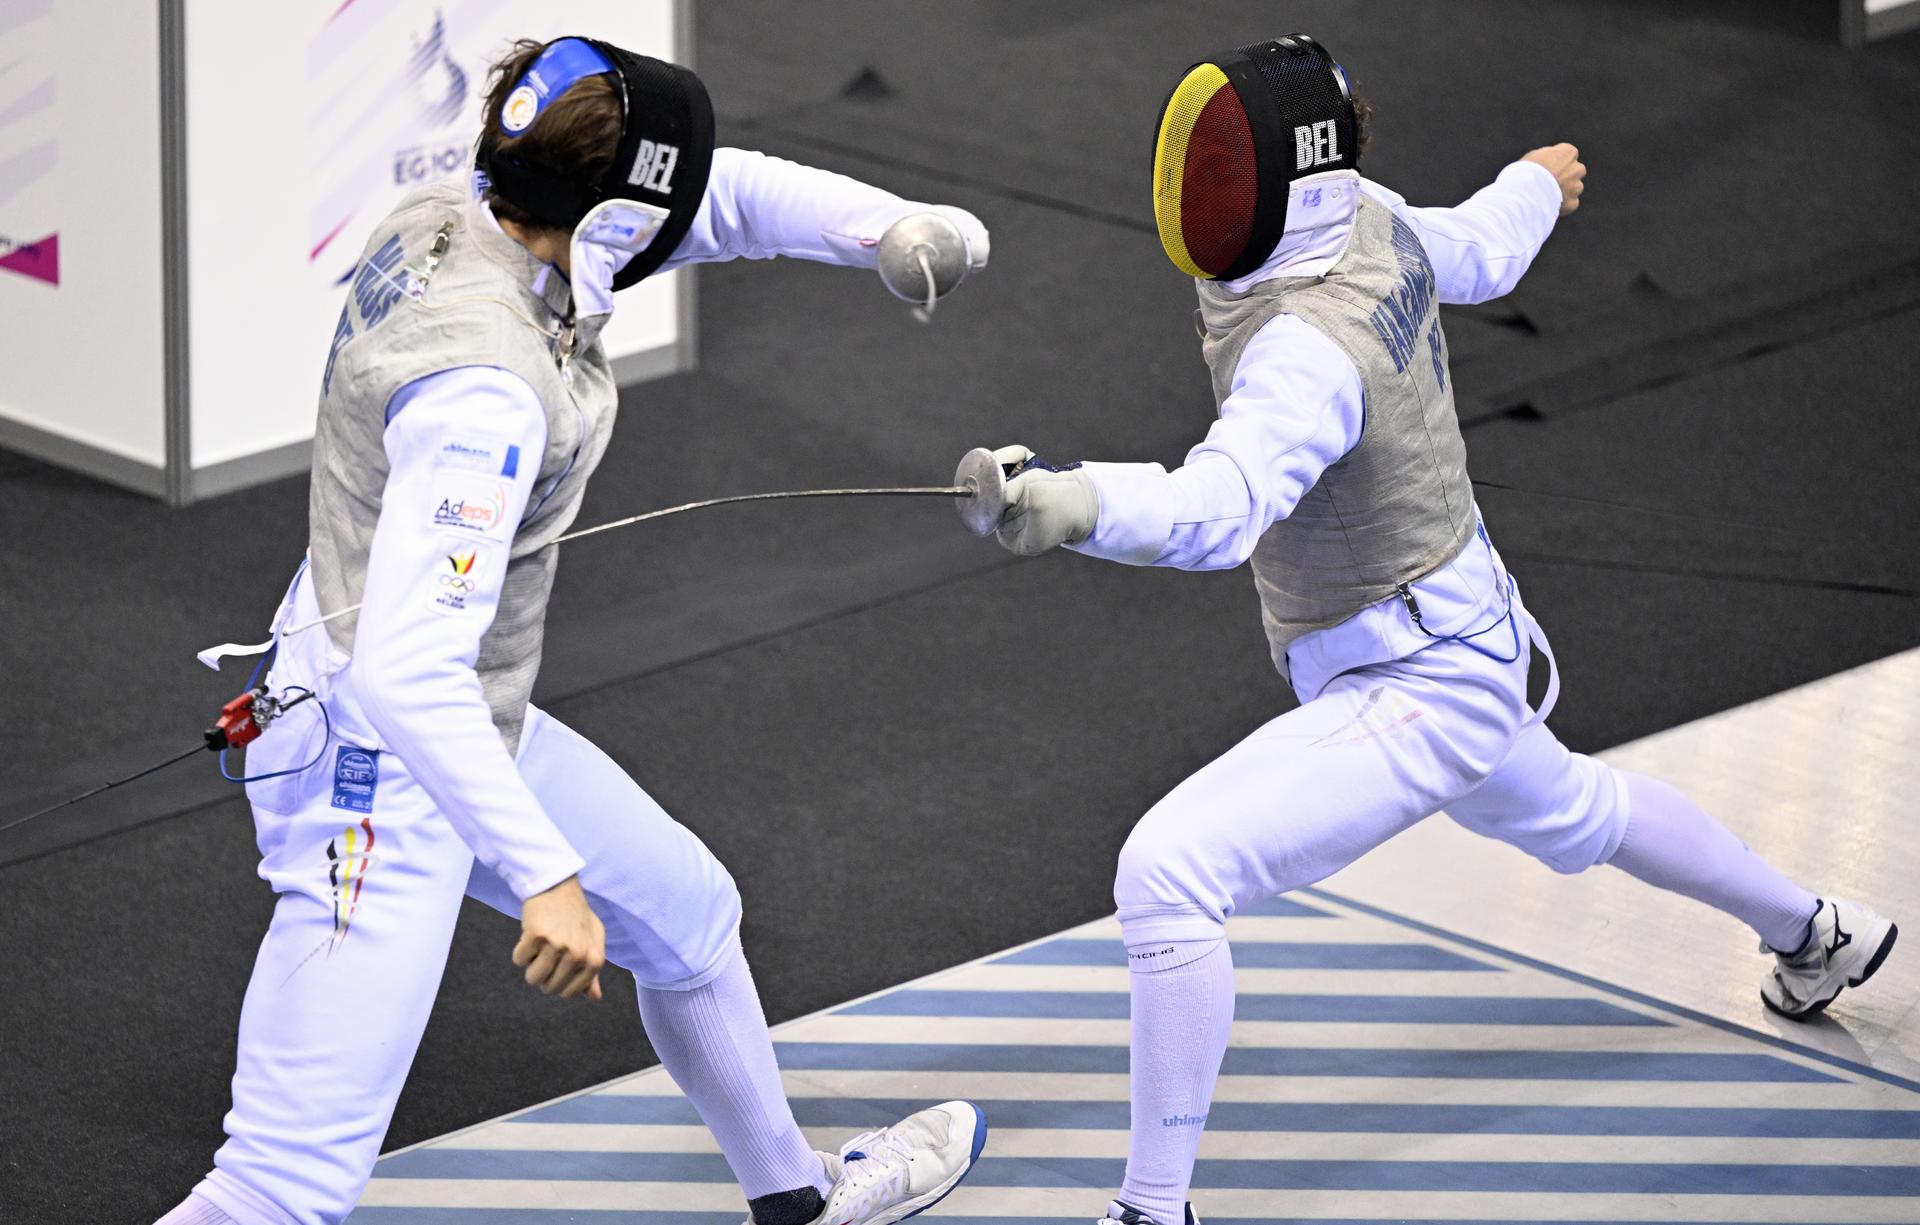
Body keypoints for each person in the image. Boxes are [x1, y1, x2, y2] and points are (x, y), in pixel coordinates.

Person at [963, 34, 1898, 1225]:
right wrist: (1533, 181)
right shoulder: (1365, 218)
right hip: (1466, 629)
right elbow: (1483, 245)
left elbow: (1219, 511)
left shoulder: (1306, 347)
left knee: (1168, 871)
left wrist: (1073, 498)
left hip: (1412, 678)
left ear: (1277, 191)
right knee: (1578, 811)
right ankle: (1816, 931)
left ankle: (1154, 1211)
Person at [155, 35, 989, 1225]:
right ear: (600, 226)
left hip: (433, 708)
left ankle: (796, 1200)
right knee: (279, 1183)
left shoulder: (466, 202)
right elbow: (406, 669)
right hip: (379, 770)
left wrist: (889, 228)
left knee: (691, 918)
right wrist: (548, 876)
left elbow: (723, 195)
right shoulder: (484, 394)